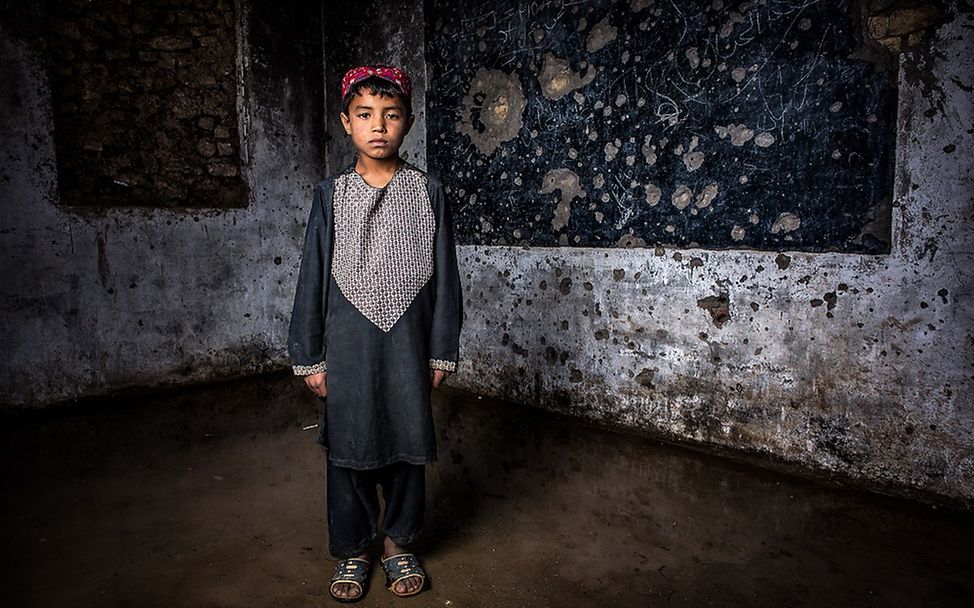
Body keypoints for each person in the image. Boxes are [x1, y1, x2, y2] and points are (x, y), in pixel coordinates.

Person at [287, 65, 462, 602]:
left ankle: (398, 542)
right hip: (347, 346)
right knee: (348, 446)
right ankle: (355, 549)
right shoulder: (329, 195)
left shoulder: (428, 192)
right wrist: (310, 356)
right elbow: (312, 276)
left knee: (408, 443)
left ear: (407, 123)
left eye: (391, 115)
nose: (378, 126)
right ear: (347, 123)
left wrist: (441, 349)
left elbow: (447, 277)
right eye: (365, 115)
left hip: (408, 345)